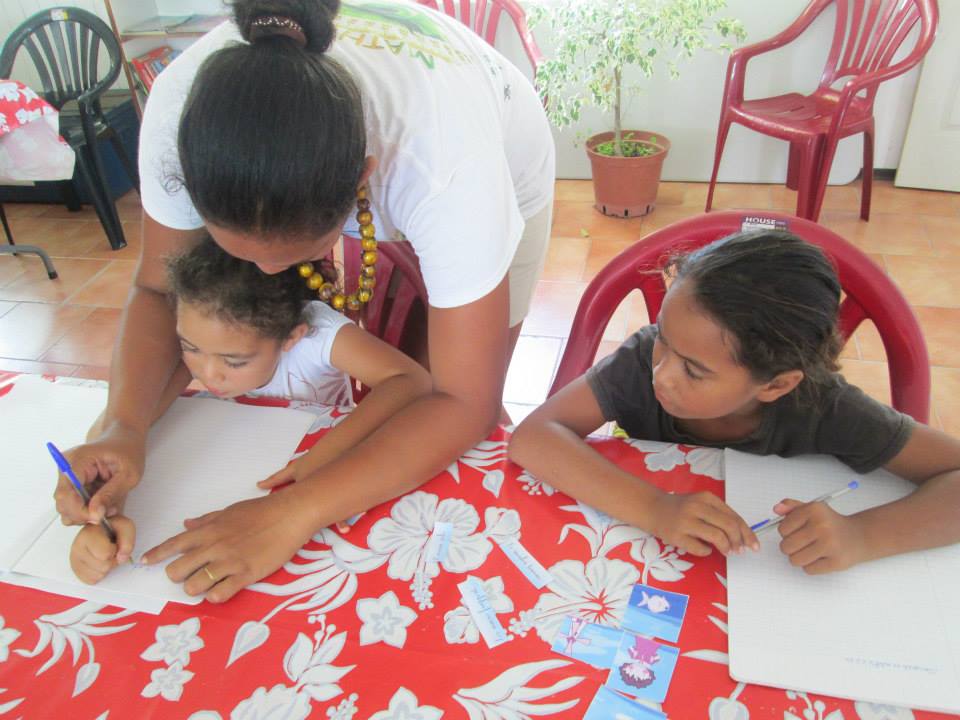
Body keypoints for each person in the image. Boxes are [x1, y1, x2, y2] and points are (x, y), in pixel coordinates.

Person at [54, 0, 554, 601]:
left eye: (295, 253)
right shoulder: (177, 116)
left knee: (447, 408)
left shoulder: (448, 166)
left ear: (362, 179)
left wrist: (293, 513)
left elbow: (465, 400)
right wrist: (123, 426)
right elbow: (160, 288)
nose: (269, 275)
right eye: (236, 248)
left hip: (495, 148)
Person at [509, 231, 960, 574]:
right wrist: (654, 508)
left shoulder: (826, 408)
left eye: (694, 371)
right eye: (664, 338)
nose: (661, 373)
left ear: (776, 386)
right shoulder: (640, 361)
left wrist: (861, 535)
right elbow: (533, 437)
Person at [68, 236, 432, 585]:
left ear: (291, 337)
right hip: (249, 458)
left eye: (234, 361)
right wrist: (104, 508)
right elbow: (122, 430)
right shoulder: (203, 339)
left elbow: (411, 380)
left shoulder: (319, 335)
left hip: (313, 460)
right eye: (189, 347)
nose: (208, 373)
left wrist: (328, 451)